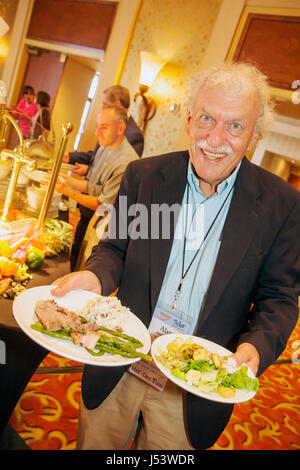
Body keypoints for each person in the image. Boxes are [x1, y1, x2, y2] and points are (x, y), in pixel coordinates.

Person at [51, 62, 299, 450]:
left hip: (190, 389)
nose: (214, 138)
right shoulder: (144, 176)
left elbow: (279, 300)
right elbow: (115, 249)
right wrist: (94, 277)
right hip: (119, 357)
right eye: (206, 119)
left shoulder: (282, 206)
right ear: (188, 119)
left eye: (235, 126)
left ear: (254, 136)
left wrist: (256, 347)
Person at [55, 104, 139, 270]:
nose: (97, 132)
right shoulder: (103, 146)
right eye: (97, 126)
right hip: (91, 218)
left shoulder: (126, 163)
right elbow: (92, 186)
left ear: (121, 128)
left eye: (104, 127)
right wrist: (64, 179)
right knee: (75, 257)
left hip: (106, 229)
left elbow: (101, 203)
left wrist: (67, 191)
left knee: (88, 267)